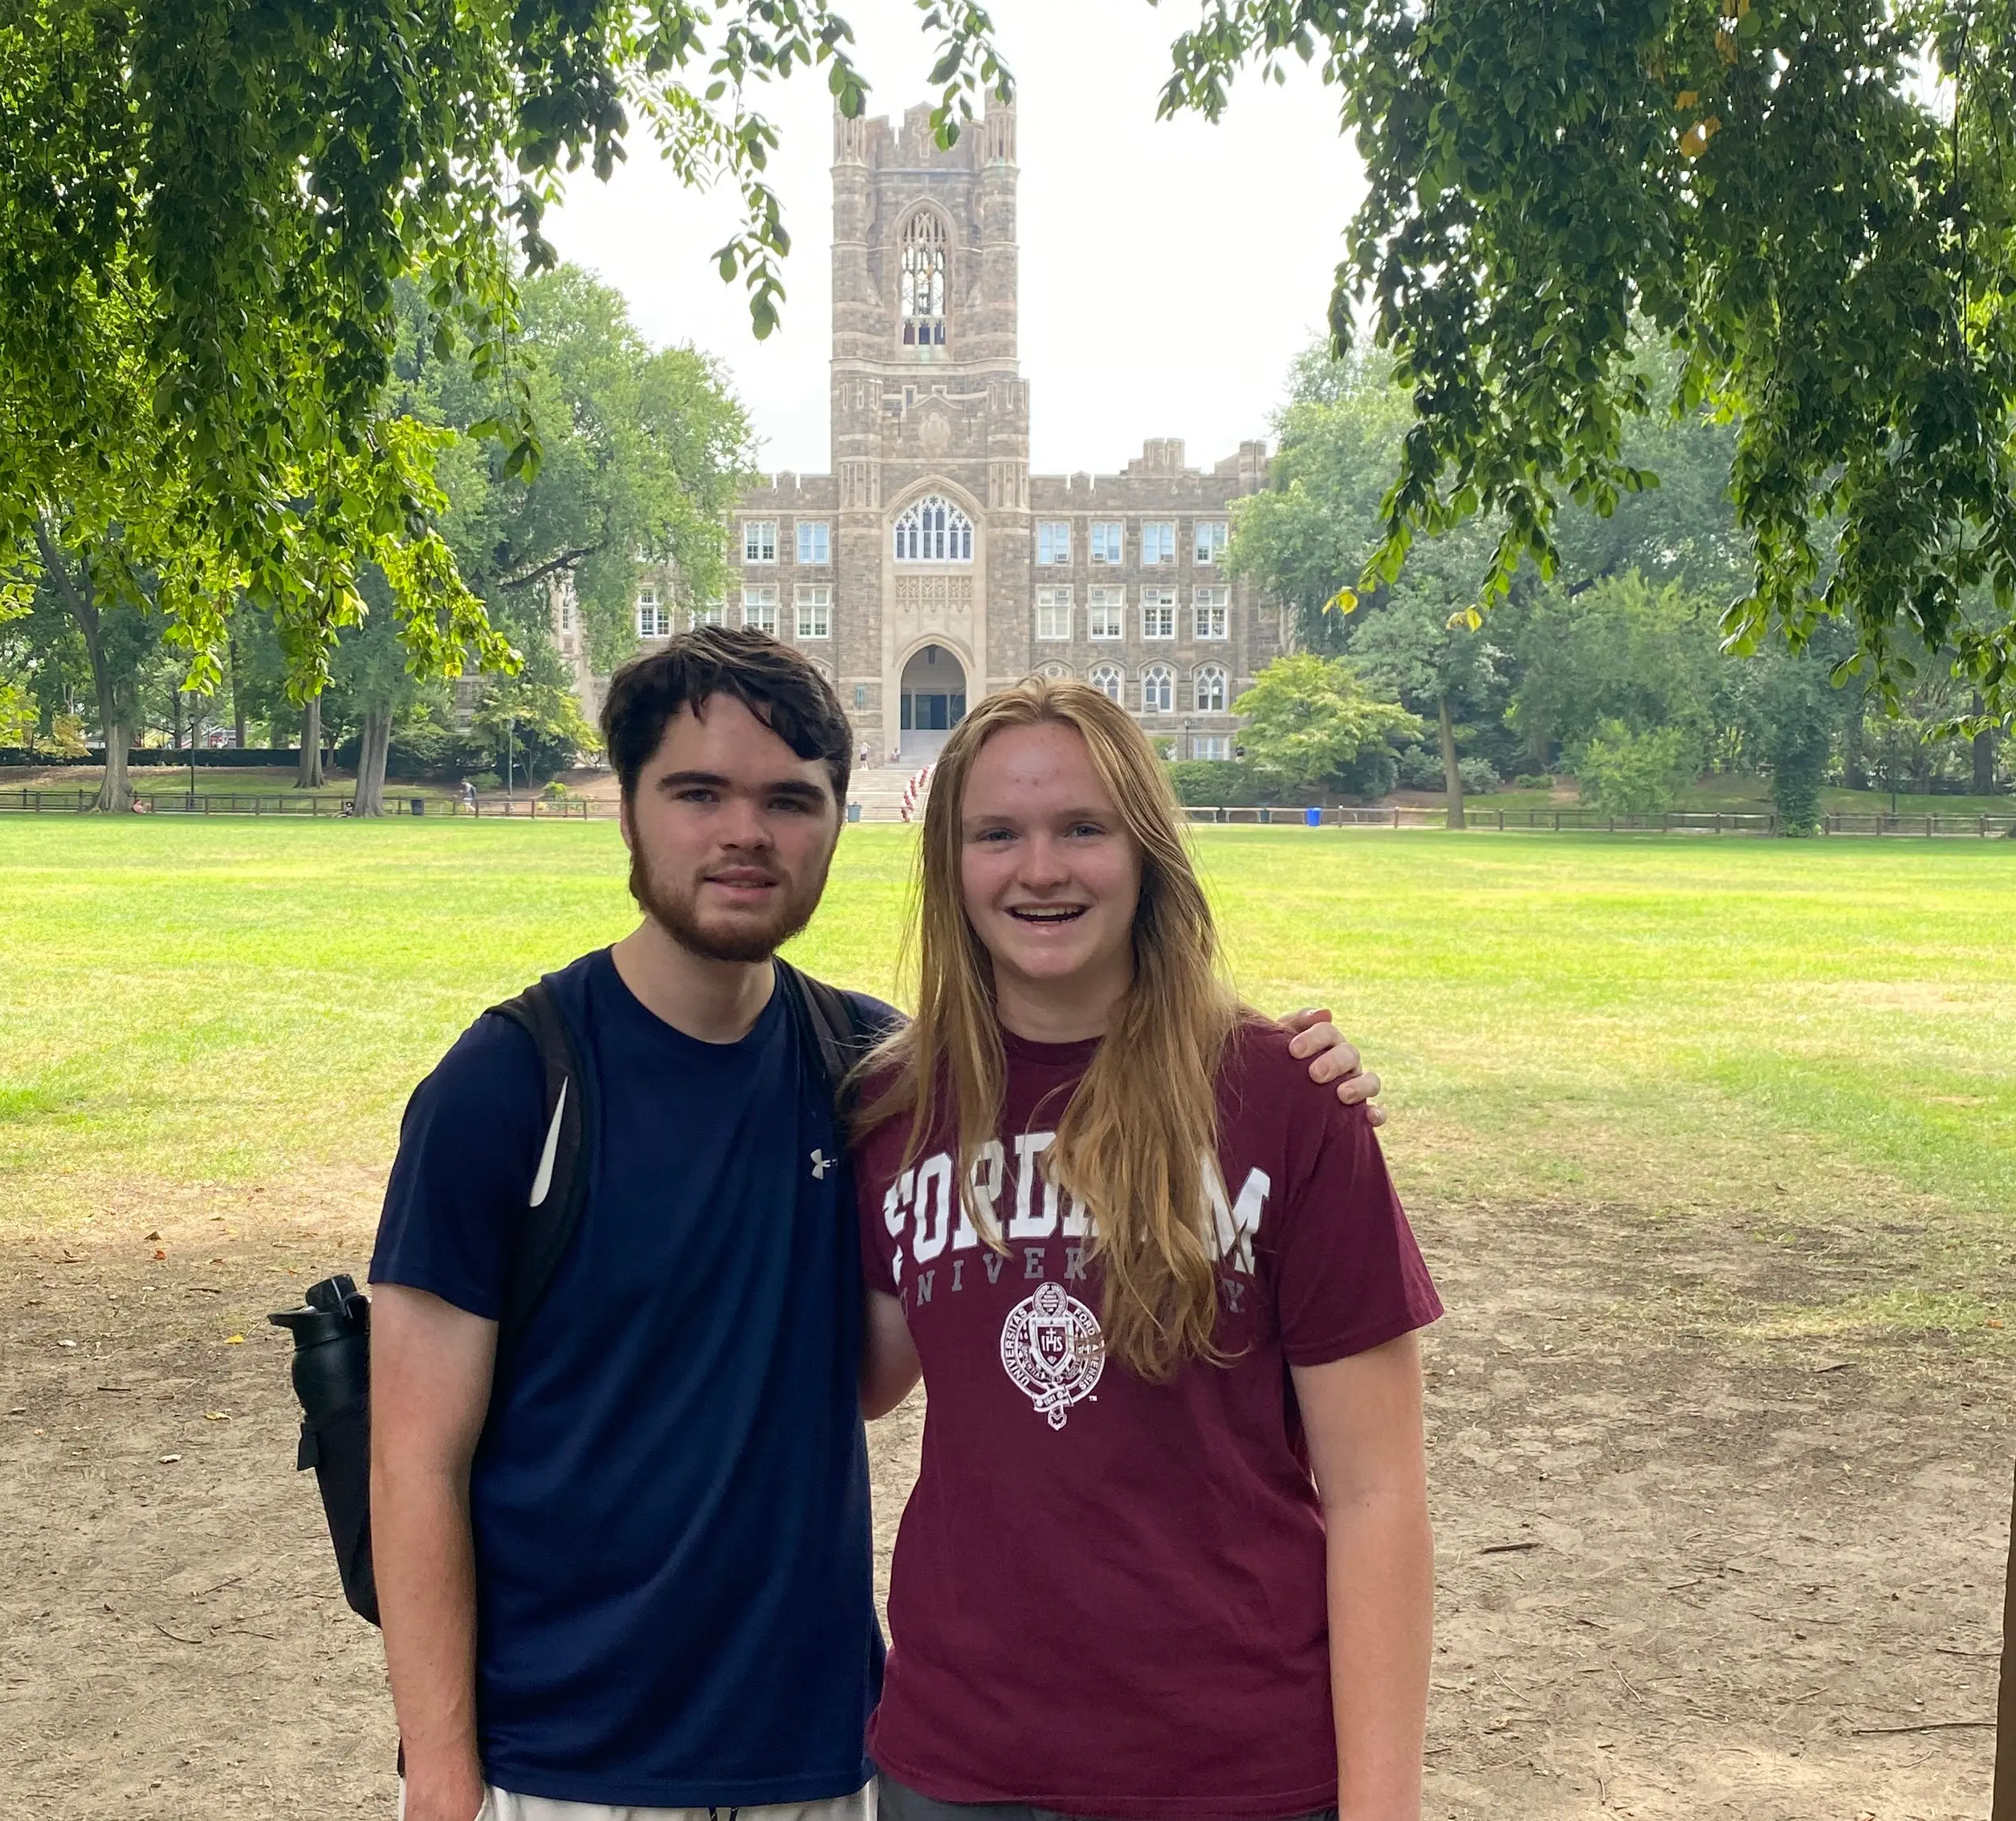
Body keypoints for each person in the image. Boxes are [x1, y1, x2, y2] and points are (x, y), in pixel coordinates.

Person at [364, 629, 1385, 1821]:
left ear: (843, 825)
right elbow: (410, 1459)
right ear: (629, 811)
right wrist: (440, 1777)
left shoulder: (874, 1073)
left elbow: (890, 1355)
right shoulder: (508, 1086)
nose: (745, 832)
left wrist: (1285, 1075)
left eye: (790, 800)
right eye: (697, 792)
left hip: (830, 1745)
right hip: (566, 1757)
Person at [854, 676, 1439, 1821]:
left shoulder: (1284, 1100)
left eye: (1084, 827)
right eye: (997, 834)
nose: (1041, 869)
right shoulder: (894, 1107)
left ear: (1147, 849)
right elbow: (864, 1378)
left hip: (1233, 1768)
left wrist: (1384, 1808)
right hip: (956, 1762)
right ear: (950, 865)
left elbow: (1377, 1494)